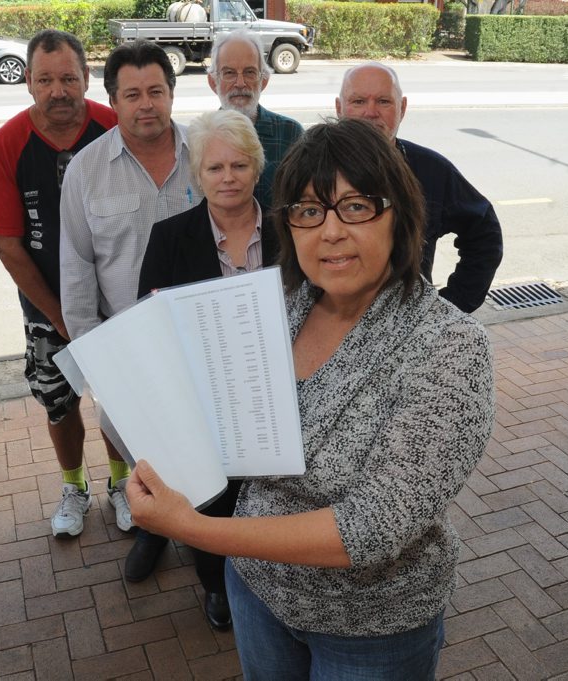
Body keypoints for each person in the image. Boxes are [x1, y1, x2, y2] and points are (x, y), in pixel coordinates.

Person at [126, 118, 495, 679]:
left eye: (355, 207)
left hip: (371, 628)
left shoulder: (447, 346)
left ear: (401, 215)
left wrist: (190, 527)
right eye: (308, 210)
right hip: (255, 592)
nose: (330, 232)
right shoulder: (282, 308)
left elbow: (373, 527)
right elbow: (234, 429)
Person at [0, 30, 121, 539]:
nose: (59, 91)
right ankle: (73, 486)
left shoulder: (114, 127)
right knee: (60, 402)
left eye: (69, 78)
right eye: (46, 80)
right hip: (46, 306)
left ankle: (121, 484)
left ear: (86, 79)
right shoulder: (7, 145)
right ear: (29, 83)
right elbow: (9, 247)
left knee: (121, 397)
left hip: (115, 300)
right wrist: (61, 316)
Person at [133, 109, 278, 630]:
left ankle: (277, 582)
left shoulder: (291, 230)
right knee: (215, 499)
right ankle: (216, 587)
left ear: (257, 169)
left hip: (278, 394)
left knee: (275, 494)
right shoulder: (169, 237)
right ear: (197, 175)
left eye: (239, 165)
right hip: (204, 402)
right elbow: (146, 323)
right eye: (214, 168)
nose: (228, 178)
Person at [58, 40, 196, 565]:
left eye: (156, 92)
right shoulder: (86, 172)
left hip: (199, 338)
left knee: (207, 448)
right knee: (143, 448)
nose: (146, 105)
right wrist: (96, 356)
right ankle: (154, 531)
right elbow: (76, 270)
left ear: (172, 94)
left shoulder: (205, 155)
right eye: (132, 94)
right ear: (112, 101)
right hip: (126, 342)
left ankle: (211, 552)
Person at [336, 62, 503, 313]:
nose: (370, 112)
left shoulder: (431, 170)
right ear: (339, 108)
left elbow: (484, 233)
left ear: (402, 108)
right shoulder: (312, 168)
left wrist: (450, 306)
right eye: (358, 101)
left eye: (383, 101)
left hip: (408, 333)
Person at [208, 29, 304, 209]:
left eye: (249, 72)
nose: (240, 83)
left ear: (264, 80)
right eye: (229, 73)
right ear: (213, 82)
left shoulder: (291, 134)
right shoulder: (200, 138)